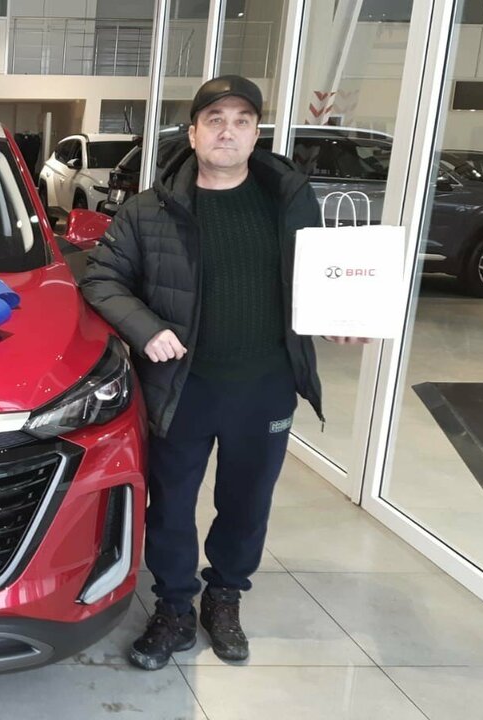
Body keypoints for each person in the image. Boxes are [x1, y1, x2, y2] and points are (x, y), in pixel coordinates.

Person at [80, 75, 368, 670]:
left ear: (256, 134)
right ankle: (173, 607)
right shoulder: (149, 209)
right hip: (181, 388)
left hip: (265, 385)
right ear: (193, 133)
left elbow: (319, 281)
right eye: (215, 120)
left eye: (241, 121)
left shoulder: (290, 203)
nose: (227, 132)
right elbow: (101, 277)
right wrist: (145, 328)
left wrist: (337, 320)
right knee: (171, 504)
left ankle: (225, 596)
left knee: (246, 502)